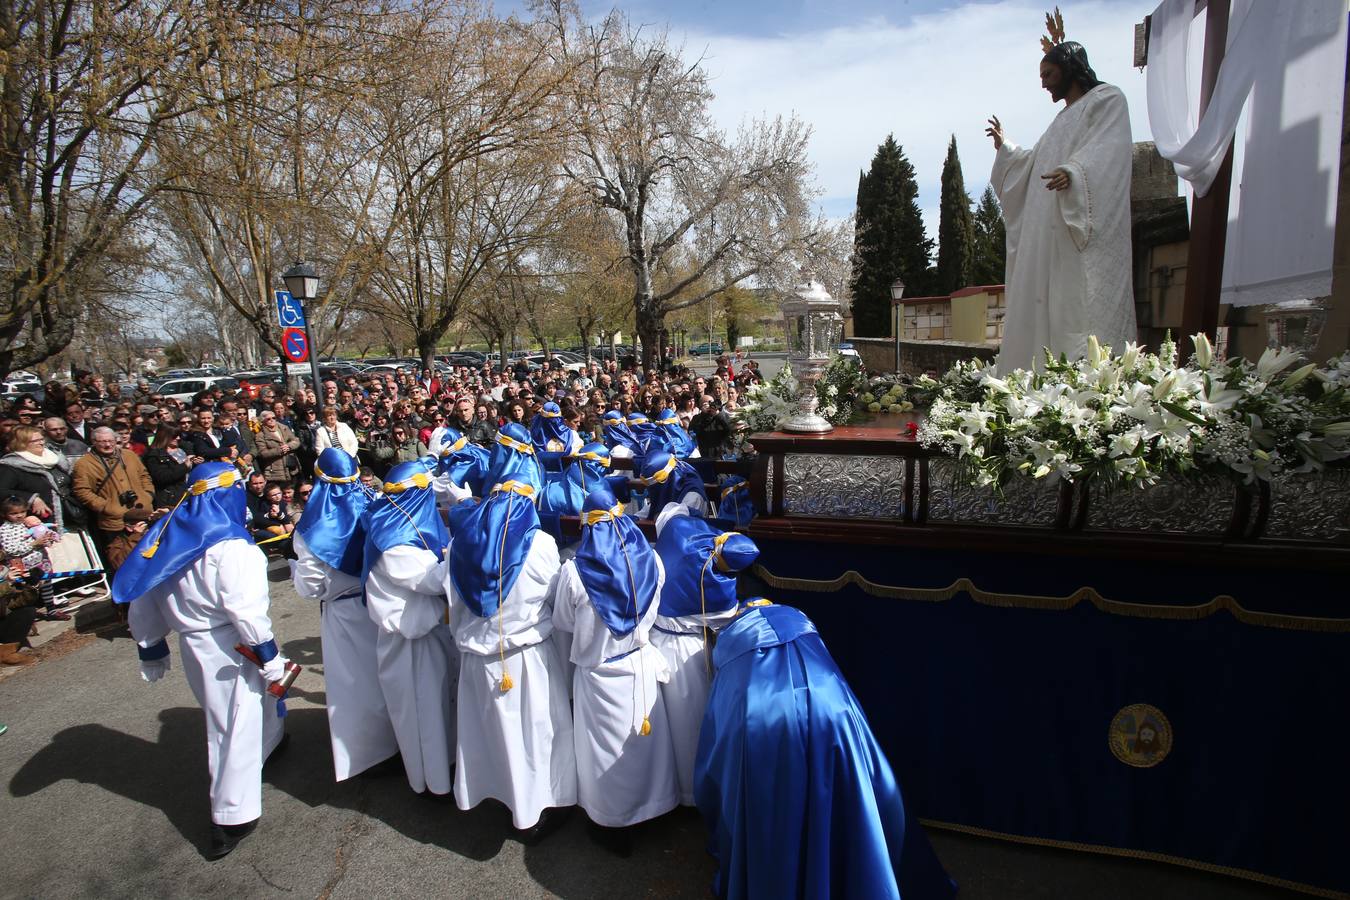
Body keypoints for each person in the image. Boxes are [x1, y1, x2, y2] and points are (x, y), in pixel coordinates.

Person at [695, 600, 956, 900]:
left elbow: (713, 763)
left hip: (760, 720)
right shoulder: (802, 627)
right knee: (849, 791)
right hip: (831, 709)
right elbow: (878, 781)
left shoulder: (731, 652)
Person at [111, 462, 290, 860]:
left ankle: (271, 743)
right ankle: (230, 815)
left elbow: (143, 596)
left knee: (250, 707)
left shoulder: (166, 535)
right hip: (229, 645)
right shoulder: (231, 547)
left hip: (198, 643)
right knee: (230, 724)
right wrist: (268, 653)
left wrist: (151, 642)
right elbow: (245, 611)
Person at [443, 431, 575, 841]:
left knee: (493, 736)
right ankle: (535, 810)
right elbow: (556, 598)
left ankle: (498, 796)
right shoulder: (540, 545)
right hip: (528, 657)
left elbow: (451, 596)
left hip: (480, 660)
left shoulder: (460, 544)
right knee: (535, 735)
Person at [986, 36, 1135, 372]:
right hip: (1047, 231)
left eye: (1048, 75)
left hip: (1075, 222)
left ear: (1069, 69)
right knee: (1047, 309)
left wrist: (1075, 172)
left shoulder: (1107, 99)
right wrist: (1006, 149)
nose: (1044, 84)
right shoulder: (1059, 122)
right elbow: (1034, 163)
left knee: (1075, 307)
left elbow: (1108, 148)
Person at [551, 485, 678, 854]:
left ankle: (614, 822)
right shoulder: (652, 561)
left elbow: (562, 621)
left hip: (600, 670)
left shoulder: (574, 573)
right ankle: (656, 807)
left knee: (606, 753)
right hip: (639, 661)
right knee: (645, 745)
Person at [292, 448, 398, 781]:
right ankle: (400, 741)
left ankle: (369, 753)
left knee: (355, 685)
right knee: (387, 677)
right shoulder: (373, 504)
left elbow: (309, 586)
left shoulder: (310, 528)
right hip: (378, 601)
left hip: (342, 611)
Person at [651, 507, 759, 805]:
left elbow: (670, 515)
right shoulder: (711, 581)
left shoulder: (688, 533)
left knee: (666, 723)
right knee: (689, 724)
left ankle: (671, 787)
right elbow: (726, 620)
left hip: (657, 639)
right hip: (688, 653)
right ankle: (692, 793)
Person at [362, 460, 457, 797]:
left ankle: (443, 770)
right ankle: (432, 783)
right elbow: (431, 581)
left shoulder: (399, 523)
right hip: (409, 641)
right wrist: (464, 553)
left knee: (439, 708)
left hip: (427, 634)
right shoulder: (395, 541)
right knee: (423, 714)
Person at [71, 426, 157, 556]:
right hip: (115, 520)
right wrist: (106, 507)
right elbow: (82, 491)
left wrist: (148, 494)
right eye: (103, 442)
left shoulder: (129, 455)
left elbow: (144, 476)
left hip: (142, 512)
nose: (108, 445)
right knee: (121, 556)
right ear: (94, 442)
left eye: (111, 441)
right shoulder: (84, 464)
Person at [637, 451, 707, 519]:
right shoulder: (662, 490)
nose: (652, 491)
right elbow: (652, 507)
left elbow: (681, 525)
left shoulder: (692, 496)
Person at [141, 425, 190, 509]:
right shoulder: (154, 455)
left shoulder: (181, 450)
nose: (178, 438)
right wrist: (184, 466)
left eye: (179, 435)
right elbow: (162, 476)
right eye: (174, 436)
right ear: (164, 436)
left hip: (182, 494)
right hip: (168, 498)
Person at [252, 410, 301, 485]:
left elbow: (296, 441)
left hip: (291, 466)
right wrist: (280, 450)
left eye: (273, 418)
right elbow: (263, 453)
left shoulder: (284, 428)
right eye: (268, 419)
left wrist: (289, 446)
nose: (272, 420)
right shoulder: (260, 435)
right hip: (275, 471)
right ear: (263, 421)